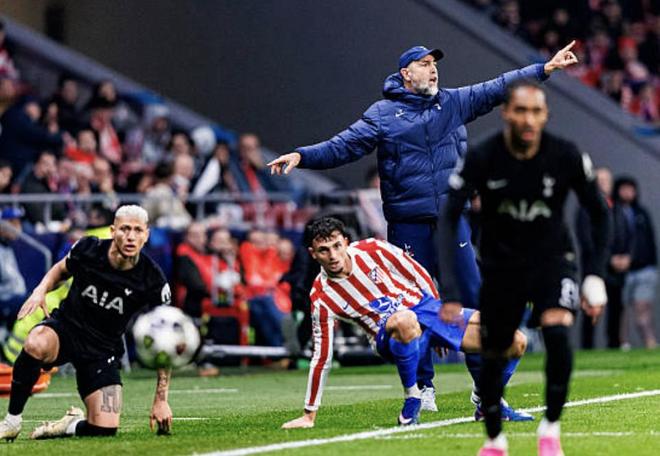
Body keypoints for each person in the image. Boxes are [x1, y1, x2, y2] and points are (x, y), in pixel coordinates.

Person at [268, 42, 579, 403]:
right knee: (411, 305)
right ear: (406, 74)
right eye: (424, 63)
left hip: (451, 222)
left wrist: (544, 69)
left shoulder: (453, 102)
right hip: (407, 223)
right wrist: (302, 156)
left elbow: (497, 87)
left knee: (473, 297)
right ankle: (423, 387)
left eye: (434, 63)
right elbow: (343, 146)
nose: (433, 69)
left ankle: (484, 387)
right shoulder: (383, 114)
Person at [436, 80, 610, 456]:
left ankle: (551, 430)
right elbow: (448, 217)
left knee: (558, 332)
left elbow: (599, 213)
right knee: (496, 350)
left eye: (536, 111)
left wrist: (595, 274)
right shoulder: (484, 155)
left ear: (545, 115)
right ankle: (494, 439)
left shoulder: (565, 155)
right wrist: (449, 289)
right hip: (502, 266)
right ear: (506, 114)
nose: (528, 119)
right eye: (520, 111)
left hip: (553, 261)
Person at [281, 217, 529, 430]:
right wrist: (309, 413)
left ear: (345, 242)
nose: (333, 255)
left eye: (337, 246)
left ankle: (488, 401)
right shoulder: (321, 297)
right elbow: (321, 357)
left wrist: (439, 320)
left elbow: (417, 273)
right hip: (387, 334)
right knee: (405, 319)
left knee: (515, 340)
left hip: (426, 310)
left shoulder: (373, 248)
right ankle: (413, 399)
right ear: (313, 254)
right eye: (324, 250)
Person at [0, 205, 174, 441]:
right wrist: (40, 290)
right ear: (112, 231)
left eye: (137, 230)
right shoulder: (89, 248)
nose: (130, 236)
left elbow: (165, 339)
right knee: (35, 342)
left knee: (105, 429)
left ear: (146, 235)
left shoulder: (152, 279)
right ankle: (12, 421)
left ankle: (69, 425)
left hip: (103, 350)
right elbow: (61, 270)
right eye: (124, 229)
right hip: (66, 330)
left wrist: (161, 400)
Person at [575, 167, 615, 349]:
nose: (603, 184)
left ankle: (614, 343)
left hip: (609, 264)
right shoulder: (586, 208)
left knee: (613, 306)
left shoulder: (615, 206)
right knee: (590, 304)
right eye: (600, 181)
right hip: (593, 264)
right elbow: (586, 238)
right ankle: (587, 345)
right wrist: (596, 265)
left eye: (606, 181)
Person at [615, 176, 658, 349]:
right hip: (621, 272)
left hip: (644, 269)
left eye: (630, 189)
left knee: (643, 309)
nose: (627, 192)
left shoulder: (642, 213)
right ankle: (623, 344)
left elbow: (647, 242)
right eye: (624, 188)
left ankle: (650, 342)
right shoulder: (613, 212)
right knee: (621, 310)